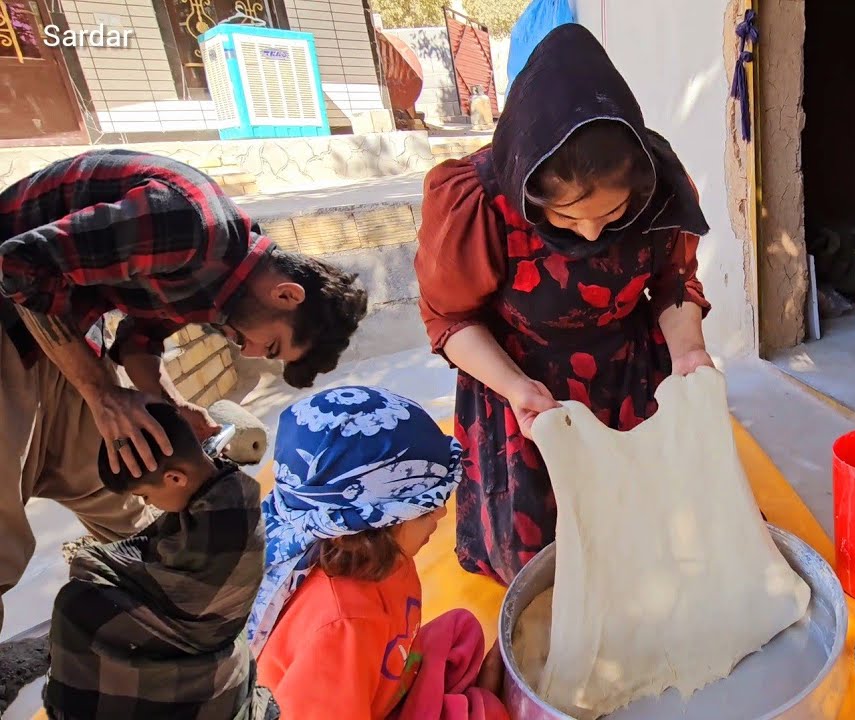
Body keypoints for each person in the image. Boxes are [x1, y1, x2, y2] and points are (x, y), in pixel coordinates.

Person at [0, 148, 368, 633]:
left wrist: (168, 402)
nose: (253, 354)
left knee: (125, 492)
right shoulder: (191, 227)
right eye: (272, 344)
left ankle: (153, 627)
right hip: (10, 321)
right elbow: (20, 266)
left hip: (62, 333)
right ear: (285, 295)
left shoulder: (218, 285)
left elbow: (139, 338)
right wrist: (101, 393)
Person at [415, 23, 714, 585]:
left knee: (657, 547)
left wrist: (690, 353)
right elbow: (452, 319)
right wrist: (515, 388)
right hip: (528, 390)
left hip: (630, 376)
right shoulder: (474, 200)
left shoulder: (660, 187)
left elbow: (673, 285)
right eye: (567, 217)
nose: (591, 231)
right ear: (528, 187)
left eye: (611, 213)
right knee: (554, 570)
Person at [250, 386, 507, 720]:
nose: (441, 514)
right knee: (486, 712)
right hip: (358, 701)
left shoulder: (379, 554)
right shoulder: (340, 628)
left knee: (460, 631)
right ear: (366, 530)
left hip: (387, 676)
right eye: (425, 509)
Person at [44, 402, 275, 720]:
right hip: (198, 627)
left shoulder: (226, 520)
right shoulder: (220, 486)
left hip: (201, 631)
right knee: (93, 575)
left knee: (76, 606)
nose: (148, 505)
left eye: (145, 497)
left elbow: (197, 602)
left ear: (176, 479)